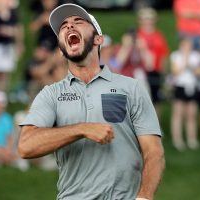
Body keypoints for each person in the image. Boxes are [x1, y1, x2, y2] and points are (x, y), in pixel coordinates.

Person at [18, 3, 165, 200]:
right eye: (63, 26)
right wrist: (81, 129)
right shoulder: (50, 94)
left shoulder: (132, 88)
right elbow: (26, 146)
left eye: (78, 21)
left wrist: (144, 197)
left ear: (98, 39)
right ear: (61, 50)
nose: (69, 26)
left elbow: (154, 152)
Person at [136, 8, 169, 118]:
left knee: (156, 101)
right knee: (140, 101)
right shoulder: (137, 35)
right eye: (145, 18)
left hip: (156, 71)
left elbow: (164, 56)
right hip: (140, 72)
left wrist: (164, 74)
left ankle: (156, 128)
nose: (148, 21)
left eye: (150, 18)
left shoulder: (159, 36)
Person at [170, 38, 200, 151]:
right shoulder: (175, 55)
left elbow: (198, 72)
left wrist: (190, 64)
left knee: (191, 114)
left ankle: (192, 139)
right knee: (178, 114)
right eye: (185, 45)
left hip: (192, 86)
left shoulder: (196, 56)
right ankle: (177, 139)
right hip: (180, 86)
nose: (187, 47)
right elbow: (175, 72)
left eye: (189, 45)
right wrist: (185, 60)